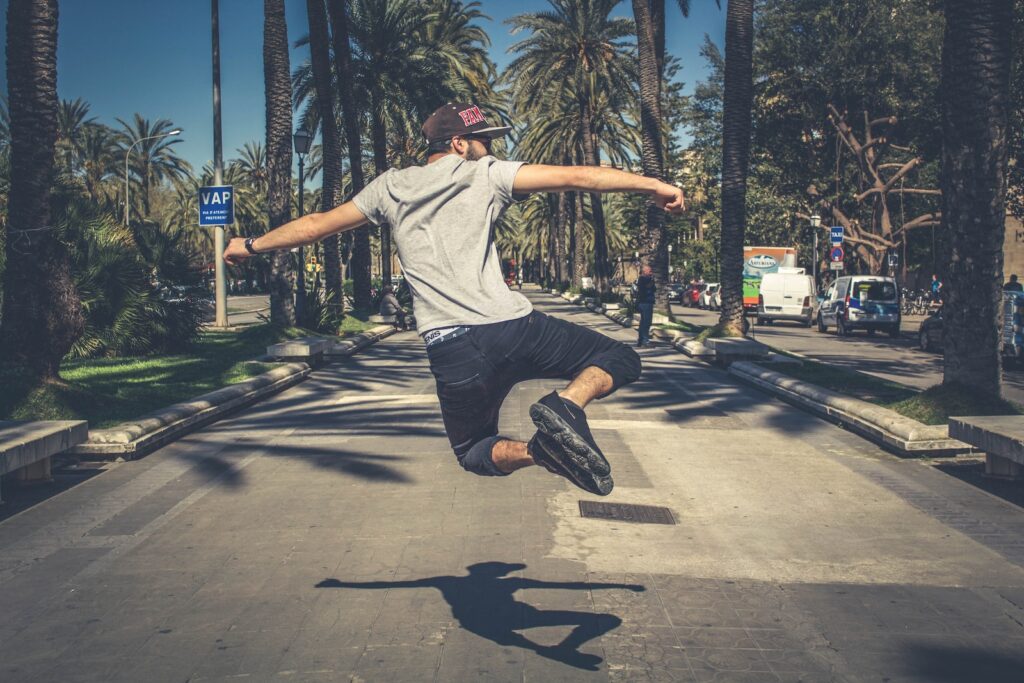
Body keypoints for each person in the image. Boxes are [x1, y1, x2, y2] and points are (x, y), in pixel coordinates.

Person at [224, 102, 685, 497]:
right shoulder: (485, 173)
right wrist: (654, 186)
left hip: (451, 349)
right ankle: (567, 404)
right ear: (460, 143)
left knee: (472, 452)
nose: (490, 147)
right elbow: (579, 177)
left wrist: (250, 246)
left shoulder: (388, 187)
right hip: (513, 329)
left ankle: (537, 454)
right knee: (618, 355)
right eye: (483, 138)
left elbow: (314, 224)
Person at [635, 265, 655, 348]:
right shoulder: (643, 279)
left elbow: (653, 289)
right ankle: (645, 341)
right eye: (649, 271)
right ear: (645, 271)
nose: (651, 272)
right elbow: (648, 287)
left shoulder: (646, 279)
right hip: (645, 303)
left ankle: (641, 340)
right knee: (646, 322)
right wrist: (652, 281)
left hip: (646, 302)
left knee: (643, 322)